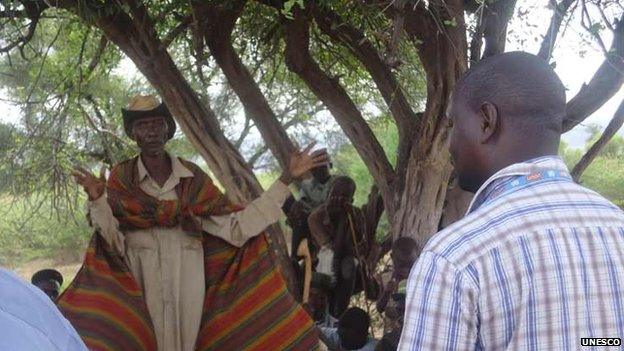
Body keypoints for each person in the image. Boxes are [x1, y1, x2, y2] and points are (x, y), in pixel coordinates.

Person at [64, 95, 328, 351]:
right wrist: (98, 199)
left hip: (189, 288)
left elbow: (237, 228)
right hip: (140, 285)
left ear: (168, 130)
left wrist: (285, 179)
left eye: (157, 123)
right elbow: (113, 243)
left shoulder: (193, 180)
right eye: (143, 125)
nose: (152, 131)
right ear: (134, 134)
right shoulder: (122, 179)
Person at [399, 52, 624, 350]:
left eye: (452, 124)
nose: (449, 143)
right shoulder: (617, 226)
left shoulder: (454, 258)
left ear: (486, 122)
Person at [309, 176, 375, 317]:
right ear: (328, 195)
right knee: (330, 263)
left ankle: (338, 314)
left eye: (344, 196)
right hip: (322, 265)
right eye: (335, 194)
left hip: (349, 269)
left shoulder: (356, 214)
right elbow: (331, 252)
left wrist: (346, 222)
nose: (338, 199)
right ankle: (321, 314)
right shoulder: (316, 217)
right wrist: (340, 223)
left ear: (351, 200)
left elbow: (360, 250)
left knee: (349, 264)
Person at [0, 268, 87, 350]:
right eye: (45, 291)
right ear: (34, 290)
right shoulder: (22, 313)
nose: (51, 297)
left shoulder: (59, 316)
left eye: (54, 293)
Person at [375, 237, 418, 314]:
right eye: (401, 265)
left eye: (410, 265)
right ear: (392, 257)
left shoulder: (420, 279)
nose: (406, 270)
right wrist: (387, 292)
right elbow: (380, 308)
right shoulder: (386, 278)